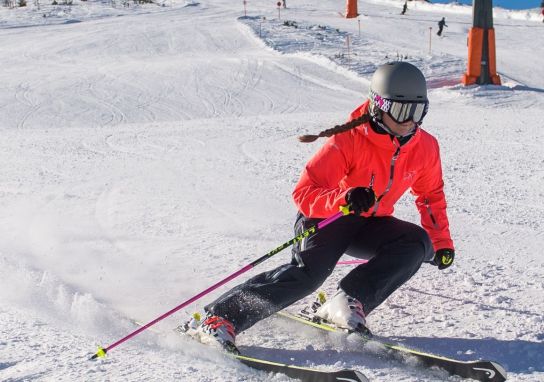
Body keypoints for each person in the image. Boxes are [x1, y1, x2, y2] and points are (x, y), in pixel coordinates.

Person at [181, 61, 456, 351]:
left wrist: (441, 243)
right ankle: (218, 317)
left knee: (416, 244)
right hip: (329, 217)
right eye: (402, 111)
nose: (409, 121)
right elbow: (305, 193)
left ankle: (346, 302)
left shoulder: (425, 146)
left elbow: (430, 195)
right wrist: (344, 198)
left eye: (417, 111)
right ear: (378, 105)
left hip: (370, 225)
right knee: (307, 277)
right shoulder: (347, 140)